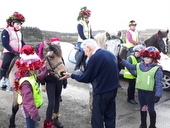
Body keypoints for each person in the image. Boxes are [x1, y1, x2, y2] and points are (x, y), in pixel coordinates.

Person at [60, 39, 120, 128]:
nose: (85, 54)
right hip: (113, 90)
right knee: (110, 116)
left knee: (97, 118)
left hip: (101, 92)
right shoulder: (109, 54)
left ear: (88, 48)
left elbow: (86, 78)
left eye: (84, 50)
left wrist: (72, 75)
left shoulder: (95, 58)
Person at [119, 46, 163, 128]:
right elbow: (130, 66)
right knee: (142, 108)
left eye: (148, 58)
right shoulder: (139, 65)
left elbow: (159, 83)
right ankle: (143, 124)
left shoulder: (157, 69)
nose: (146, 59)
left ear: (154, 58)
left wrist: (158, 95)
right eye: (145, 57)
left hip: (150, 93)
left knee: (151, 109)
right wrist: (121, 61)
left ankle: (152, 125)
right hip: (140, 92)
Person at [38, 38, 67, 128]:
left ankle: (55, 120)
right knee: (51, 103)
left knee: (57, 100)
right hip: (50, 82)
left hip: (58, 81)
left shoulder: (59, 55)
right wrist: (42, 84)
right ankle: (47, 122)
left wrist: (64, 81)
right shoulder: (48, 57)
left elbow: (63, 67)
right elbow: (41, 71)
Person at [13, 45, 45, 128]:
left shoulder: (30, 75)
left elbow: (36, 79)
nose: (37, 69)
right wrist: (34, 114)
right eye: (36, 67)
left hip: (32, 108)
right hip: (29, 110)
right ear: (30, 67)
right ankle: (3, 79)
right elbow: (28, 101)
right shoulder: (25, 83)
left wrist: (45, 73)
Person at [0, 12, 26, 88]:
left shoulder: (20, 33)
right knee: (5, 64)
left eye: (20, 24)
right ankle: (2, 80)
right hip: (9, 52)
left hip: (19, 53)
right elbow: (5, 44)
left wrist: (28, 49)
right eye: (17, 24)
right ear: (12, 23)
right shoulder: (6, 31)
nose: (19, 26)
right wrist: (13, 51)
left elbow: (23, 43)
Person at [75, 6, 94, 74]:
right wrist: (87, 40)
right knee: (83, 51)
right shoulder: (80, 24)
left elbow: (91, 35)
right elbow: (81, 35)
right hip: (81, 42)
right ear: (82, 17)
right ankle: (77, 67)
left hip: (88, 42)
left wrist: (94, 39)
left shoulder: (89, 25)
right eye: (85, 17)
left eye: (87, 17)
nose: (87, 19)